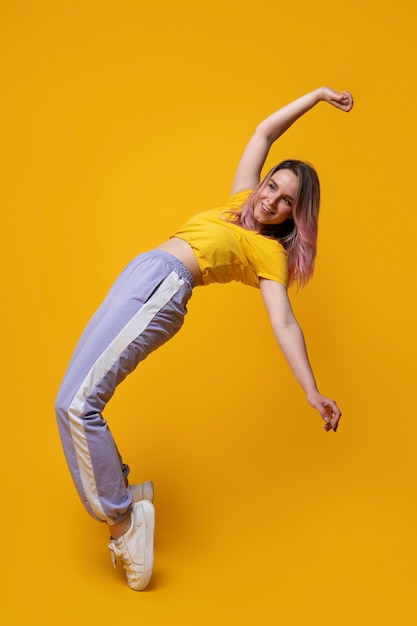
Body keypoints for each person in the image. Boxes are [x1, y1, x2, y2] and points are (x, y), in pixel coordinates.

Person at [55, 85, 353, 591]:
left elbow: (284, 323)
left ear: (293, 218)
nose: (270, 200)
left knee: (78, 404)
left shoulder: (269, 255)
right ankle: (125, 493)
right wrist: (318, 96)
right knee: (71, 396)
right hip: (142, 274)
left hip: (163, 289)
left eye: (285, 202)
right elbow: (263, 132)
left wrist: (310, 389)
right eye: (272, 187)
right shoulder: (240, 201)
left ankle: (124, 522)